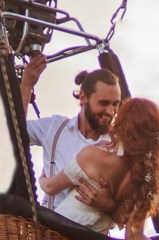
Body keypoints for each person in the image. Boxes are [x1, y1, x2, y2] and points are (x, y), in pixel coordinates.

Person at [43, 96, 159, 240]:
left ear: (121, 125)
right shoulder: (146, 181)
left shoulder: (92, 156)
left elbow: (50, 188)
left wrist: (43, 177)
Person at [19, 52, 119, 216]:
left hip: (92, 238)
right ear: (83, 97)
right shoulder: (55, 128)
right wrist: (26, 86)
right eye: (104, 103)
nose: (110, 111)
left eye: (115, 104)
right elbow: (15, 131)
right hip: (51, 231)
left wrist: (109, 205)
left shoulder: (118, 145)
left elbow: (133, 210)